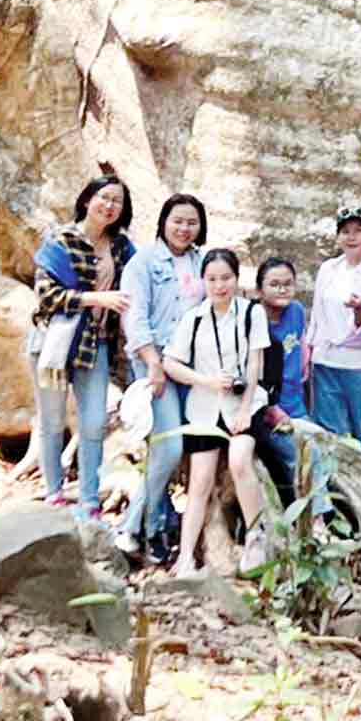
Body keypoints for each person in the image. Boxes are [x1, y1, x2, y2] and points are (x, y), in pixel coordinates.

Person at [30, 170, 136, 523]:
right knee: (52, 419)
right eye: (104, 197)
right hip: (53, 344)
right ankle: (54, 494)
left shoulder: (122, 248)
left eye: (117, 201)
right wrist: (97, 298)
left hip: (96, 346)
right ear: (88, 200)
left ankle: (89, 499)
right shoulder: (60, 241)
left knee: (93, 424)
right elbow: (47, 297)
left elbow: (141, 280)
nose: (109, 205)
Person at [162, 246, 271, 575]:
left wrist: (246, 409)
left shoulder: (252, 313)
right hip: (204, 408)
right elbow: (171, 362)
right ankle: (184, 558)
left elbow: (255, 363)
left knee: (239, 461)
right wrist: (207, 381)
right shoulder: (193, 317)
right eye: (212, 279)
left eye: (226, 278)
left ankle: (256, 536)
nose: (219, 285)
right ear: (203, 281)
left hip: (243, 405)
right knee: (200, 482)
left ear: (236, 279)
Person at [119, 192, 208, 562]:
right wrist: (152, 363)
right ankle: (139, 526)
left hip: (191, 369)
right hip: (156, 365)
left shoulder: (201, 261)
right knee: (168, 447)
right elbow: (134, 317)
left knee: (176, 450)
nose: (184, 229)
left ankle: (151, 524)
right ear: (163, 222)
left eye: (191, 222)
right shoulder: (143, 263)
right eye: (178, 221)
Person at [306, 209, 361, 454]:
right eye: (345, 231)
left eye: (358, 231)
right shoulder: (328, 268)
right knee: (329, 438)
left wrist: (359, 309)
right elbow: (317, 314)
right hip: (326, 362)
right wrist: (310, 351)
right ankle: (330, 491)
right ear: (338, 236)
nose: (351, 237)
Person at [252, 255, 306, 502]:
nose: (282, 289)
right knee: (304, 457)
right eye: (274, 284)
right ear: (259, 290)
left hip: (297, 406)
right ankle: (315, 520)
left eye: (288, 283)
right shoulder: (252, 321)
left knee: (322, 451)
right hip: (269, 413)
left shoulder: (296, 312)